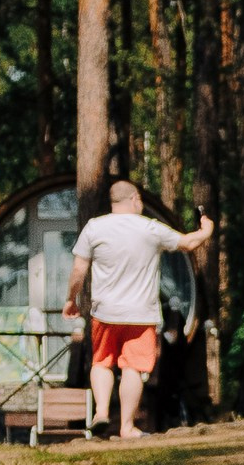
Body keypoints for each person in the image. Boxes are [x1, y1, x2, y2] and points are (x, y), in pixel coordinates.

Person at [64, 180, 215, 439]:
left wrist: (71, 299)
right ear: (134, 199)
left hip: (105, 312)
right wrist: (206, 230)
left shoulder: (95, 227)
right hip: (141, 315)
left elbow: (79, 270)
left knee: (101, 362)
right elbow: (189, 243)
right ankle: (127, 427)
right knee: (133, 368)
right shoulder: (150, 228)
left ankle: (101, 412)